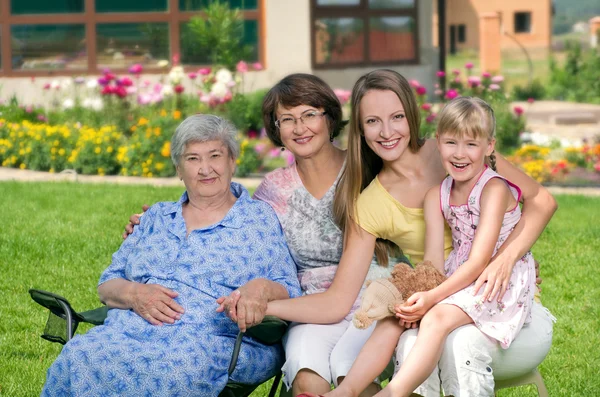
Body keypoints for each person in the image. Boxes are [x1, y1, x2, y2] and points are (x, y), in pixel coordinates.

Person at [264, 69, 556, 397]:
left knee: (436, 340)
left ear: (411, 115)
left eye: (397, 117)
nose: (387, 132)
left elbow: (542, 202)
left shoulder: (456, 150)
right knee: (399, 327)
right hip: (442, 293)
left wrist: (505, 259)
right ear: (360, 128)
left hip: (494, 297)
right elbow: (340, 299)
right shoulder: (371, 203)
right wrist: (265, 307)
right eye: (373, 121)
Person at [125, 74, 388, 396]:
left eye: (309, 115)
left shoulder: (367, 168)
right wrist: (161, 222)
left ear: (329, 118)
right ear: (277, 130)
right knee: (306, 376)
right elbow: (231, 218)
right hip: (311, 306)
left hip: (377, 296)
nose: (300, 128)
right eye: (287, 120)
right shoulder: (273, 190)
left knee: (353, 379)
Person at [41, 114, 301, 396]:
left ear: (232, 161)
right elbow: (108, 284)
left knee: (172, 371)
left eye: (215, 155)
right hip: (131, 333)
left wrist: (259, 289)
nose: (205, 169)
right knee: (77, 355)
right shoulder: (156, 217)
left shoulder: (257, 219)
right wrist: (134, 294)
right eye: (192, 159)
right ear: (179, 168)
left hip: (213, 339)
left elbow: (288, 286)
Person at [327, 96, 539, 397]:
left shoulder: (493, 189)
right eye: (451, 143)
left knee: (436, 317)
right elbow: (433, 264)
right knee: (396, 317)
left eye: (471, 144)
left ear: (489, 147)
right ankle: (345, 392)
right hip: (458, 278)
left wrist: (432, 300)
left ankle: (392, 393)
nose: (460, 153)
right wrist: (416, 298)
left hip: (494, 282)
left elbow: (480, 261)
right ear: (437, 142)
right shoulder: (436, 196)